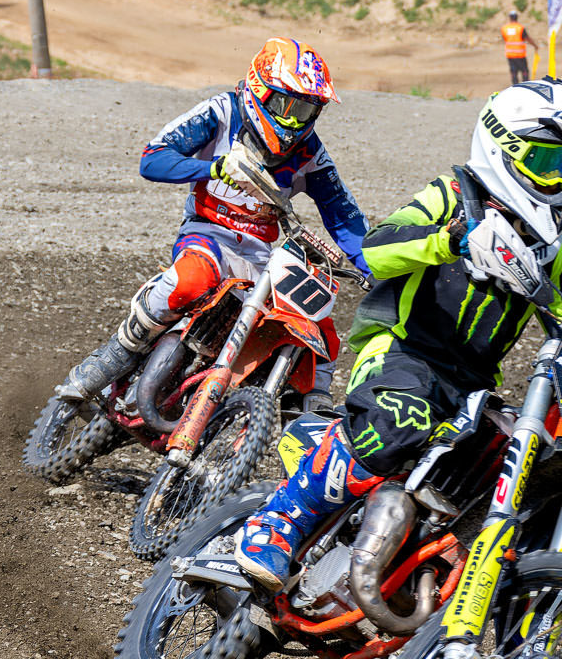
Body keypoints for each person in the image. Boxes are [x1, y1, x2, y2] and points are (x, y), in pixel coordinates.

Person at [235, 81, 562, 591]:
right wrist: (452, 240)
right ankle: (276, 523)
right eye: (546, 164)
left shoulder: (550, 256)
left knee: (520, 466)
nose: (560, 183)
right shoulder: (452, 196)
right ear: (503, 148)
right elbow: (376, 250)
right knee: (400, 419)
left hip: (471, 388)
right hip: (401, 350)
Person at [54, 37, 371, 414]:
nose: (294, 120)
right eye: (287, 105)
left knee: (317, 327)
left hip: (260, 257)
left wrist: (376, 268)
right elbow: (152, 159)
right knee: (189, 281)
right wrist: (213, 168)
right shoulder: (222, 112)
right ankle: (114, 354)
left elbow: (345, 216)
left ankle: (307, 419)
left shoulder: (310, 152)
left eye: (307, 110)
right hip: (207, 233)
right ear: (260, 90)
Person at [500, 11, 538, 84]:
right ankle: (525, 85)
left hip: (510, 54)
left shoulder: (504, 28)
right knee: (524, 71)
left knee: (513, 72)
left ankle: (515, 86)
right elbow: (527, 38)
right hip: (520, 54)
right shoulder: (520, 28)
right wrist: (535, 46)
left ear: (510, 17)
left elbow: (504, 38)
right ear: (517, 17)